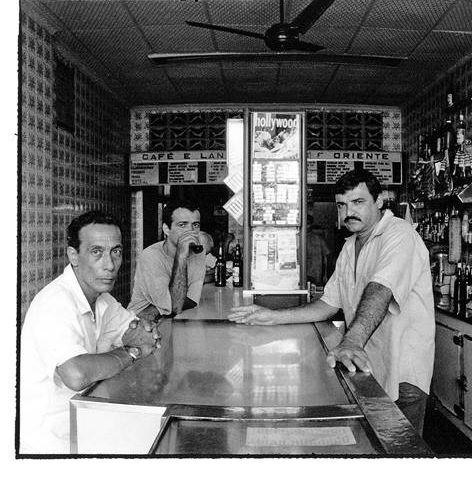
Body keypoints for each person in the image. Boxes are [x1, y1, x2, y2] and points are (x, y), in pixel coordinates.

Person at [228, 169, 434, 433]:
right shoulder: (351, 245)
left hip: (402, 373)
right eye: (342, 205)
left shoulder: (400, 235)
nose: (349, 211)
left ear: (379, 201)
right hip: (366, 365)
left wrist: (351, 341)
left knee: (402, 455)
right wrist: (271, 316)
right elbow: (329, 304)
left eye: (358, 202)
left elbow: (380, 290)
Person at [20, 211, 161, 453]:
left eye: (115, 251)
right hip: (50, 444)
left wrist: (139, 339)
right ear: (73, 255)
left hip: (89, 426)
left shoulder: (103, 299)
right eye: (97, 252)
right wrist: (132, 353)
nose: (109, 264)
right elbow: (76, 374)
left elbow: (145, 334)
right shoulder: (55, 303)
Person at [127, 198, 215, 320]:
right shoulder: (150, 256)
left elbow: (191, 300)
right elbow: (175, 305)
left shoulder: (198, 254)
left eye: (195, 225)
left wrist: (159, 309)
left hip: (172, 319)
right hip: (142, 323)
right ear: (166, 229)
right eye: (182, 225)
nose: (190, 231)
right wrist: (182, 255)